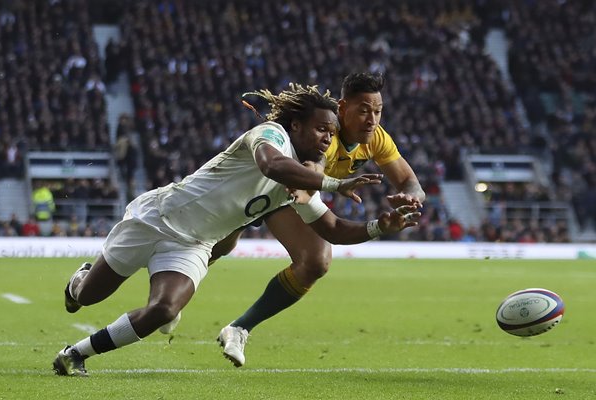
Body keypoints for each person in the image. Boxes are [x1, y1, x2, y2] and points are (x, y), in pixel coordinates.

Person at [52, 83, 420, 377]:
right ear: (296, 126)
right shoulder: (270, 134)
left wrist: (379, 227)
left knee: (164, 309)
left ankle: (75, 354)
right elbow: (272, 165)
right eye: (322, 129)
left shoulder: (300, 186)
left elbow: (335, 229)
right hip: (156, 219)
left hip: (194, 243)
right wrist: (334, 184)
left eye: (331, 133)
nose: (328, 138)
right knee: (87, 297)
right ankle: (77, 282)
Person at [212, 72, 426, 367]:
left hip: (290, 197)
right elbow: (316, 163)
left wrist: (411, 197)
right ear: (342, 107)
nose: (371, 119)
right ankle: (170, 300)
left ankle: (239, 327)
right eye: (363, 109)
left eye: (377, 111)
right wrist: (311, 181)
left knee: (316, 261)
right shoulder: (328, 134)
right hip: (261, 185)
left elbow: (410, 182)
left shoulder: (375, 138)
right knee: (214, 249)